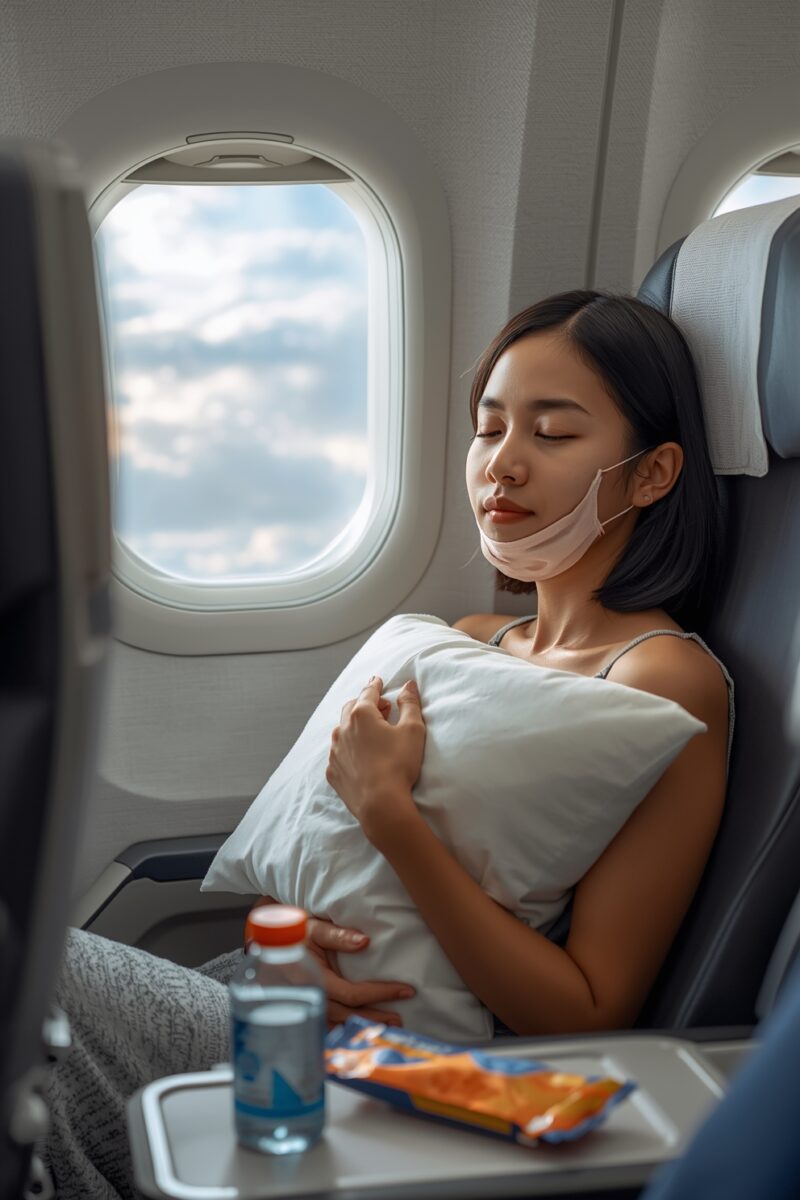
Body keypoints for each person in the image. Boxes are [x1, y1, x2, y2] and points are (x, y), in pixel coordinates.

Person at [37, 289, 734, 1197]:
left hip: (398, 1067)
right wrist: (293, 937)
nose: (503, 466)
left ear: (652, 473)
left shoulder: (664, 682)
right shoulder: (471, 635)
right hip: (277, 994)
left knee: (31, 981)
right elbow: (337, 868)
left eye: (553, 435)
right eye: (489, 431)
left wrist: (390, 815)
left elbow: (588, 1009)